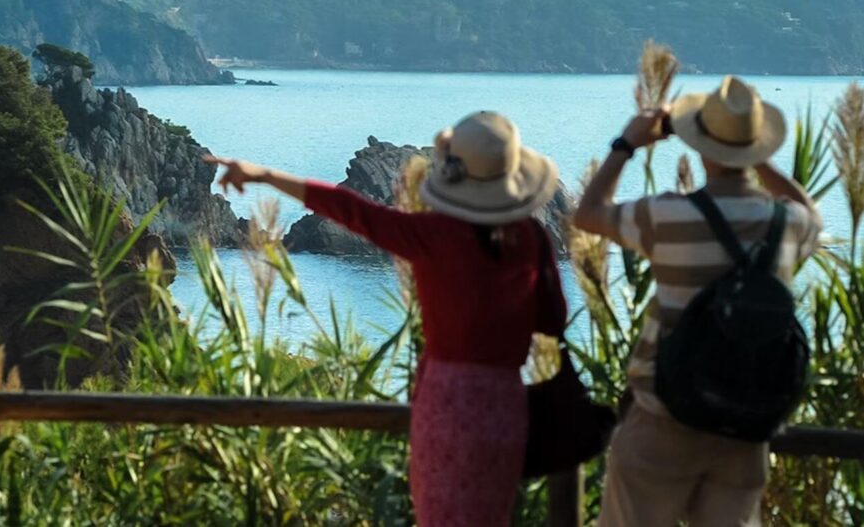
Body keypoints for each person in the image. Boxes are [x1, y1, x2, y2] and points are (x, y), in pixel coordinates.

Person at [206, 111, 563, 526]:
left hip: (443, 399)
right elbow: (553, 320)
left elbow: (351, 210)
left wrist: (264, 174)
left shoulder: (432, 235)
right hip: (505, 401)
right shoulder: (529, 238)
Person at [574, 76, 823, 526]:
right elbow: (810, 211)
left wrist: (626, 144)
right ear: (755, 148)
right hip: (746, 429)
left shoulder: (669, 215)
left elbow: (588, 213)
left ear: (700, 146)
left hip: (663, 420)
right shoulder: (787, 224)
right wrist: (759, 160)